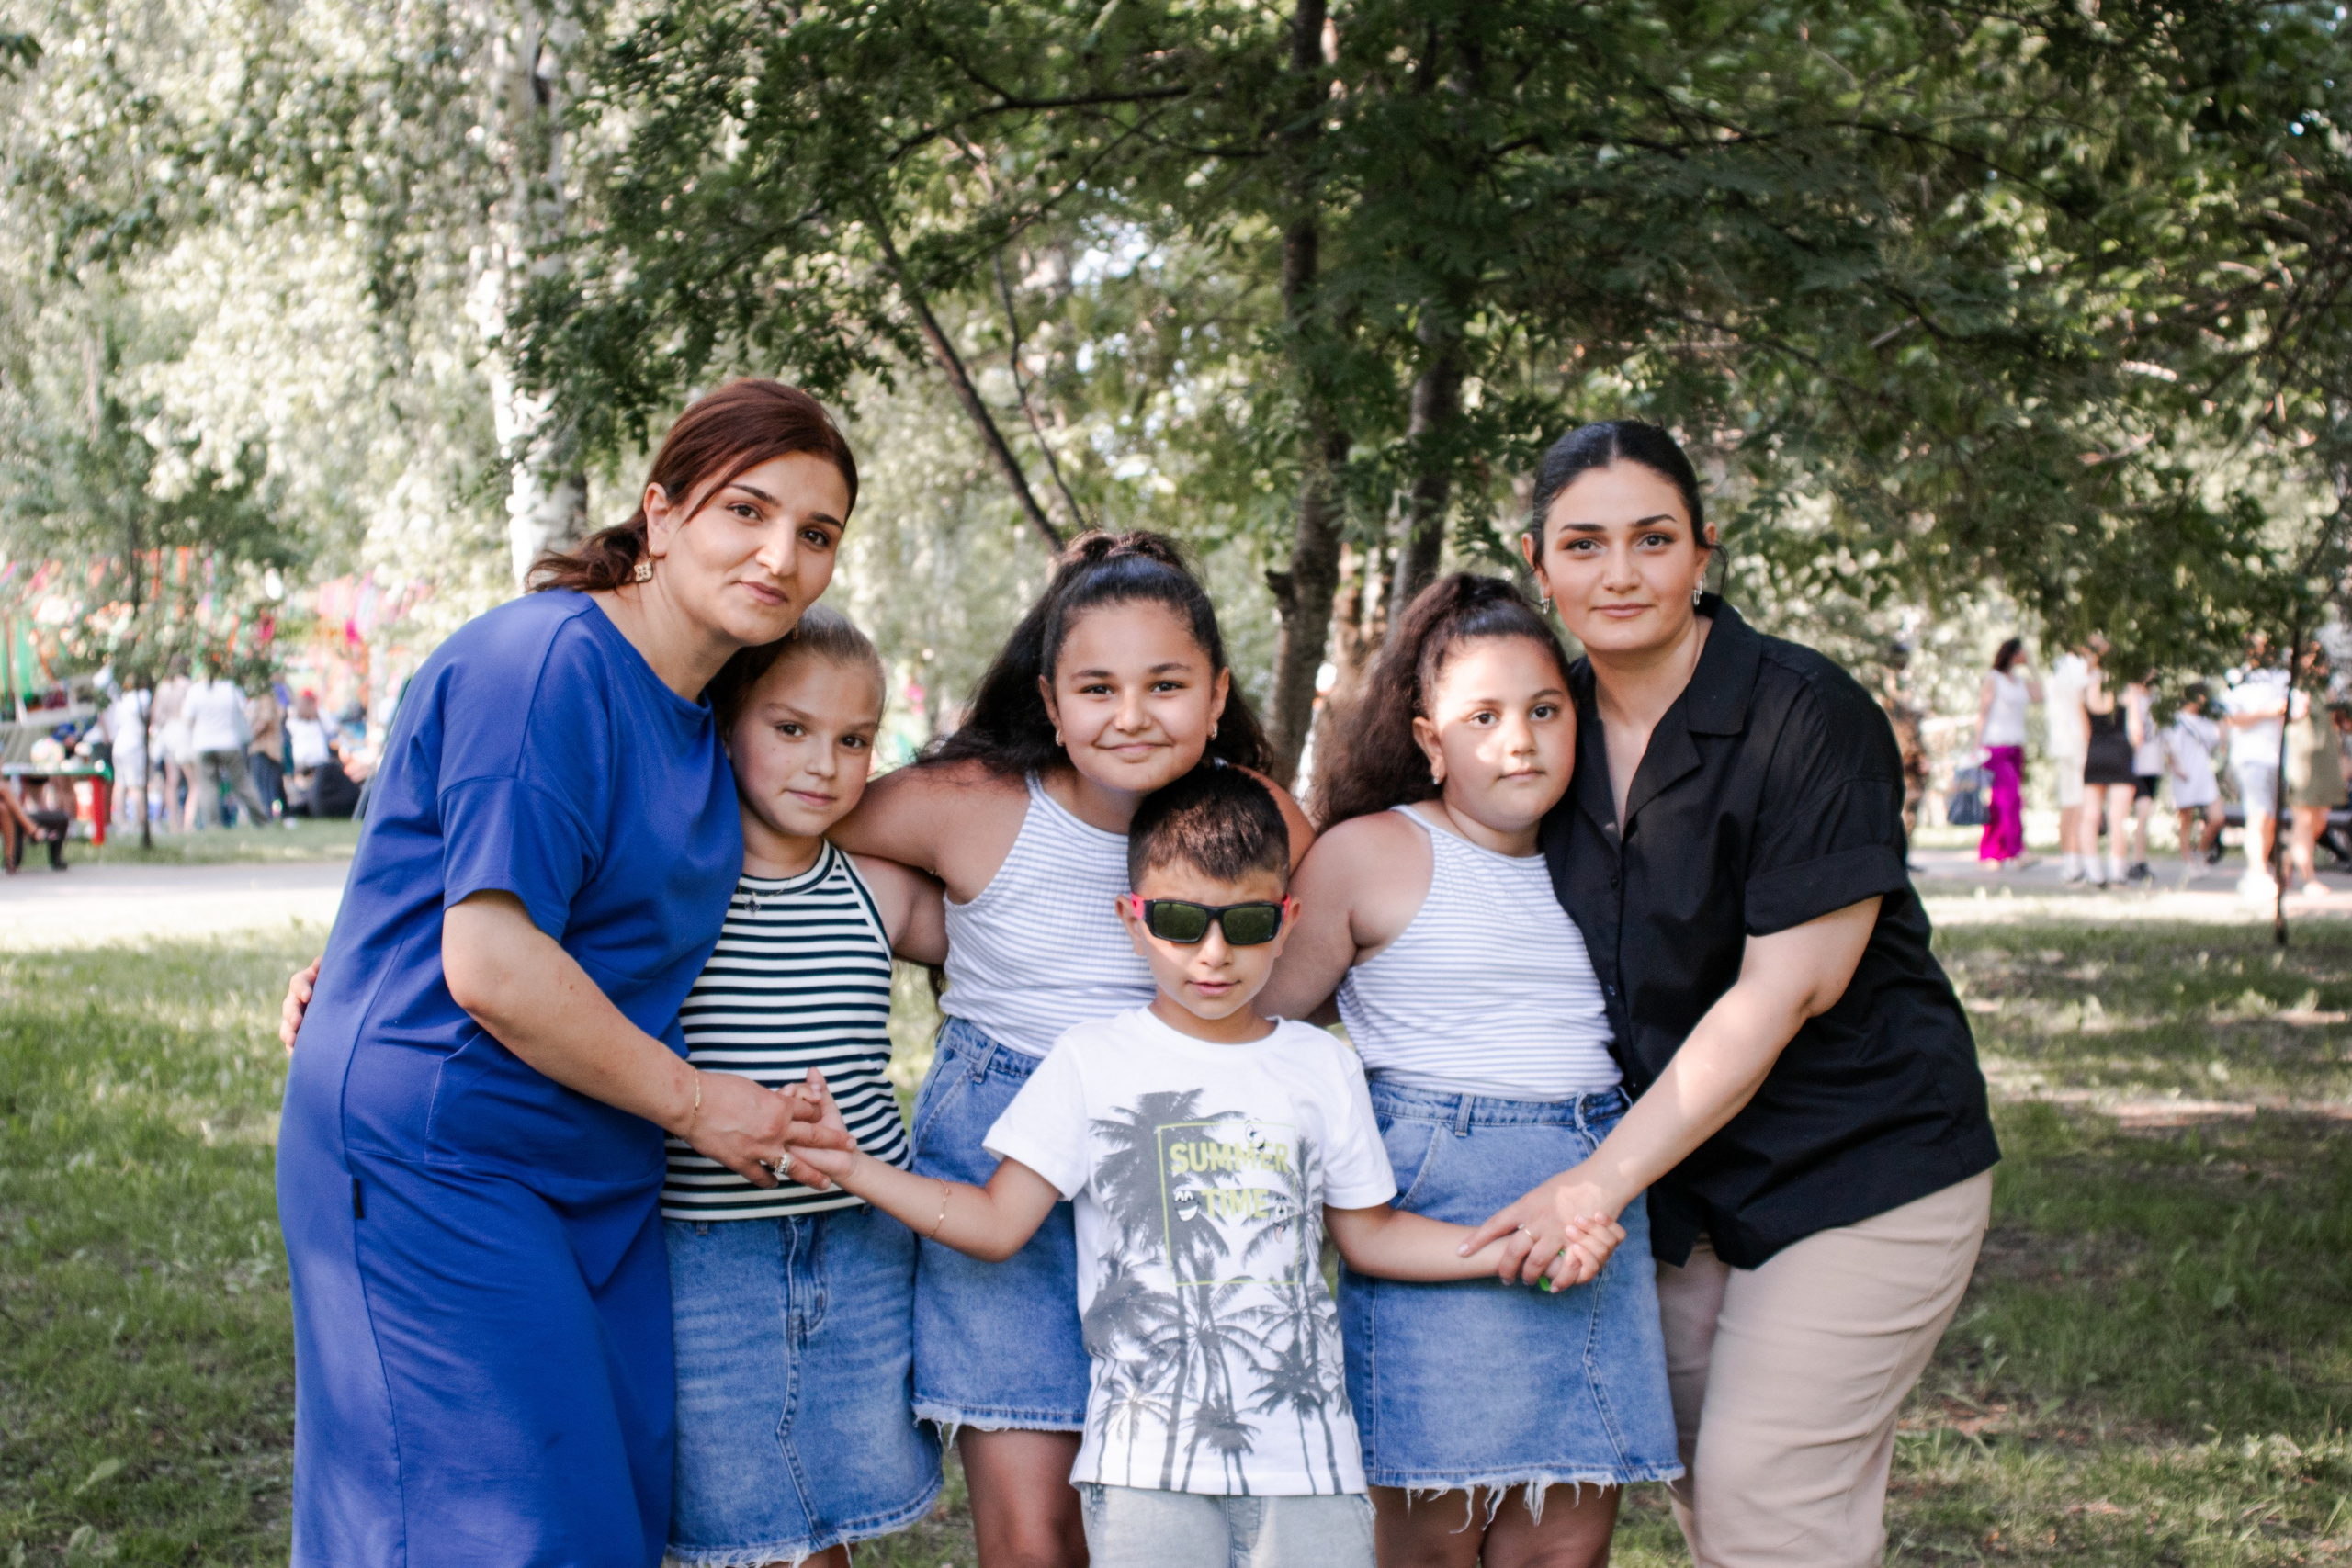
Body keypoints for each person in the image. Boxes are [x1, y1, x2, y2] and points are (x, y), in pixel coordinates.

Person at [274, 379, 854, 1568]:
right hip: (439, 1151)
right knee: (499, 1528)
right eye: (746, 509)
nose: (779, 553)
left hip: (595, 1156)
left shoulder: (709, 712)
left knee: (610, 1516)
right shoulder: (544, 665)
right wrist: (709, 1106)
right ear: (660, 512)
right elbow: (489, 956)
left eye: (817, 532)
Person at [785, 766, 1621, 1568]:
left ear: (1287, 919)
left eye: (1246, 923)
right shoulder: (1090, 1060)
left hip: (1311, 1470)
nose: (1213, 953)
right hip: (1148, 1467)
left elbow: (1372, 1236)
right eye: (1181, 922)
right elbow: (997, 1223)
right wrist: (854, 1165)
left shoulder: (1319, 1066)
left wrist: (1519, 1245)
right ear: (1132, 914)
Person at [1483, 419, 1997, 1568]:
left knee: (1766, 1500)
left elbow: (1780, 994)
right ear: (1540, 563)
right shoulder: (1537, 730)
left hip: (1859, 1163)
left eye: (1652, 539)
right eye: (1585, 544)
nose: (1619, 573)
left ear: (1704, 550)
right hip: (1680, 1187)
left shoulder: (1804, 715)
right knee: (1724, 1502)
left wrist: (1593, 1185)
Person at [827, 533, 1312, 1568]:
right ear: (1051, 702)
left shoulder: (1261, 818)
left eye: (1165, 685)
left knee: (1163, 1519)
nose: (1130, 716)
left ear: (1217, 693)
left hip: (1182, 1172)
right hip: (1003, 1149)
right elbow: (803, 825)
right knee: (1036, 1533)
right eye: (1097, 687)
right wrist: (929, 925)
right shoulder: (969, 803)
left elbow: (1302, 954)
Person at [1256, 573, 1677, 1568]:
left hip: (1590, 1195)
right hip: (1432, 1193)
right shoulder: (1371, 855)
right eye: (1481, 717)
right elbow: (1266, 1026)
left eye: (1543, 710)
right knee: (1428, 1546)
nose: (1518, 741)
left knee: (1561, 1546)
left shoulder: (1612, 858)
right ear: (1430, 739)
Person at [662, 608, 949, 1568]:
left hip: (861, 1240)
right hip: (707, 1245)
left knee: (828, 1503)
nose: (823, 763)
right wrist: (346, 980)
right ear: (729, 721)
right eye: (791, 729)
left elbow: (1022, 947)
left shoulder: (882, 891)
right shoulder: (665, 887)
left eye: (854, 740)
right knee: (735, 1510)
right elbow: (521, 959)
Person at [2222, 634, 2291, 897]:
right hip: (2249, 756)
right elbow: (2231, 718)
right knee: (2258, 814)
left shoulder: (2280, 677)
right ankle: (2257, 871)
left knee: (2270, 819)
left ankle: (2261, 870)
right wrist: (2267, 712)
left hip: (2277, 756)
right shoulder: (2236, 678)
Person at [2283, 650, 2346, 897]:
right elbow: (2293, 713)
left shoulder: (2329, 690)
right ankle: (2308, 877)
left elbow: (2336, 722)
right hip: (2302, 757)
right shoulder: (2294, 687)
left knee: (2321, 818)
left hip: (2327, 757)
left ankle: (2289, 857)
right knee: (2305, 820)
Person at [186, 659, 272, 829]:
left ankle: (213, 825)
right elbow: (241, 712)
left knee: (208, 787)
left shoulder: (195, 691)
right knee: (242, 783)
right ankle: (262, 820)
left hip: (203, 743)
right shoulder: (230, 689)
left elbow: (188, 718)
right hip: (228, 742)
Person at [1973, 638, 2038, 866]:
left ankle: (1991, 852)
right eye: (2023, 651)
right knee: (2010, 798)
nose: (2025, 654)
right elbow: (1983, 712)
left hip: (2015, 747)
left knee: (2001, 801)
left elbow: (2041, 695)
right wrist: (1976, 746)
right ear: (2013, 652)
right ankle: (2017, 851)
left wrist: (2032, 667)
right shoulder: (1994, 679)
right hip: (1995, 746)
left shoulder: (2020, 681)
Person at [2078, 658, 2139, 888]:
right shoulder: (2127, 689)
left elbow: (2085, 731)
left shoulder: (2084, 690)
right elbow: (2135, 730)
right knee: (2117, 818)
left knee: (2090, 816)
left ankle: (2094, 872)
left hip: (2094, 753)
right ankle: (2117, 871)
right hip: (2120, 754)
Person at [2043, 638, 2095, 879]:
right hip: (2076, 743)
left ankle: (2071, 860)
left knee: (2070, 802)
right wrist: (2090, 740)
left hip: (2063, 743)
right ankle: (2074, 862)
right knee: (2078, 803)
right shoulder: (2078, 669)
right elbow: (2080, 706)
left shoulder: (2060, 667)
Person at [2165, 688, 2225, 874]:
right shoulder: (2177, 720)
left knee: (2217, 818)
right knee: (2186, 820)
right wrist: (2175, 768)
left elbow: (2220, 741)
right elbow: (2170, 746)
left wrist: (2222, 718)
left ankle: (2200, 853)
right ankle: (2188, 862)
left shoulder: (2205, 722)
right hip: (2185, 775)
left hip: (2204, 774)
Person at [2122, 671, 2161, 883]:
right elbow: (2135, 731)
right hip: (2135, 765)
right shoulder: (2131, 695)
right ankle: (2133, 861)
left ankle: (2138, 860)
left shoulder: (2156, 699)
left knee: (2144, 816)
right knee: (2140, 813)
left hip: (2152, 765)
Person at [248, 682, 288, 821]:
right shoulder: (261, 697)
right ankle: (274, 816)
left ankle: (273, 817)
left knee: (267, 787)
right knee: (268, 786)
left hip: (266, 749)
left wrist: (249, 735)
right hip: (262, 748)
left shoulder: (265, 697)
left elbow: (264, 720)